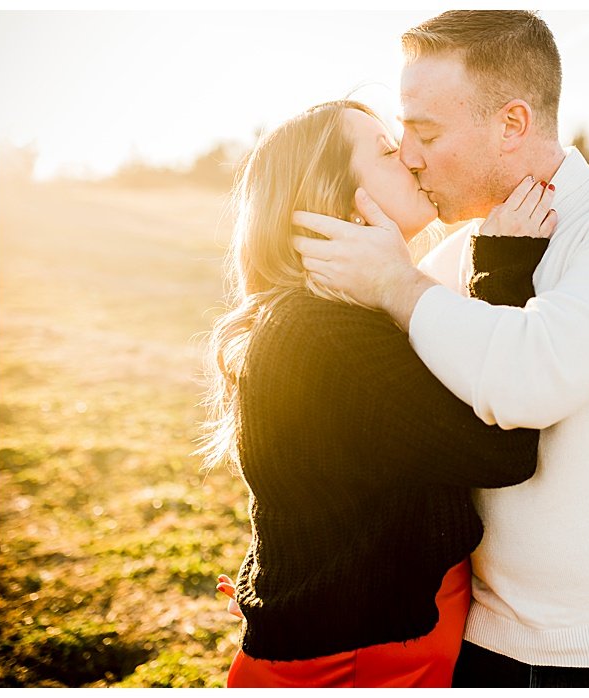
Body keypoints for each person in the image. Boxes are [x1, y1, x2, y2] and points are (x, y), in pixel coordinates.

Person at [293, 11, 589, 688]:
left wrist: (396, 284)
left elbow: (528, 382)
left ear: (512, 124)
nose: (408, 154)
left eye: (425, 131)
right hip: (478, 643)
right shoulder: (454, 257)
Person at [201, 100, 558, 688]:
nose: (414, 159)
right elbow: (500, 451)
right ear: (336, 195)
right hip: (360, 658)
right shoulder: (328, 333)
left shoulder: (316, 315)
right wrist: (504, 272)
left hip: (358, 640)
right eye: (390, 152)